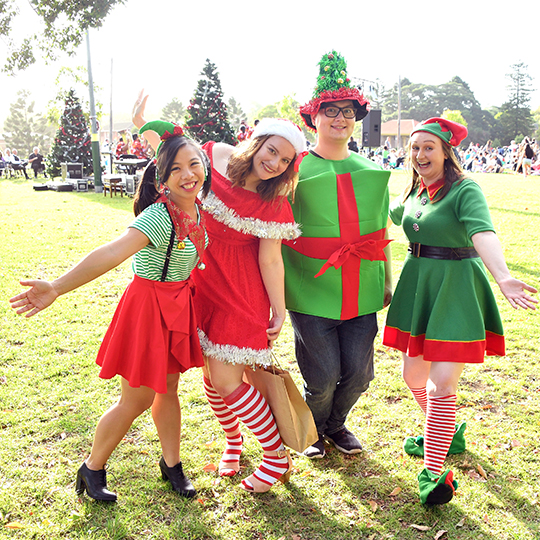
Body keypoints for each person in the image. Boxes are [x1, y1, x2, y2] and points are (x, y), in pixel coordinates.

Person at [9, 121, 211, 502]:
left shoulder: (199, 209)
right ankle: (92, 467)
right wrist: (56, 286)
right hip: (148, 308)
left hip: (177, 305)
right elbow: (112, 253)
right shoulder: (158, 216)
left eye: (194, 164)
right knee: (135, 400)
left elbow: (164, 145)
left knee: (169, 389)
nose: (188, 174)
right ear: (161, 181)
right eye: (176, 170)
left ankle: (172, 465)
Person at [133, 92, 306, 493]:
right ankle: (233, 441)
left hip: (240, 292)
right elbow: (179, 158)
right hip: (200, 283)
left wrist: (278, 311)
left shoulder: (274, 198)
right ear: (257, 142)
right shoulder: (214, 157)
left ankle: (276, 456)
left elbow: (271, 260)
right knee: (212, 379)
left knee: (230, 381)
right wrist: (147, 125)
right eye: (272, 151)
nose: (275, 164)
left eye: (285, 161)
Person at [382, 117, 538, 505]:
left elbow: (483, 232)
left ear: (446, 152)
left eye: (428, 148)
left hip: (455, 291)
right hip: (420, 287)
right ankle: (447, 434)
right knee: (412, 376)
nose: (419, 155)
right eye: (414, 148)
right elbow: (394, 216)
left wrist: (502, 276)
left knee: (442, 386)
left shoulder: (466, 189)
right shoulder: (417, 190)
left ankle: (434, 475)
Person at [282, 51, 392, 459]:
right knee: (324, 376)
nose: (340, 118)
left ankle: (335, 425)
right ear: (315, 118)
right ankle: (312, 429)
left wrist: (387, 282)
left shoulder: (370, 170)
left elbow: (381, 234)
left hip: (362, 287)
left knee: (360, 376)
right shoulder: (291, 170)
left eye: (347, 110)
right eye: (330, 110)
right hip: (310, 287)